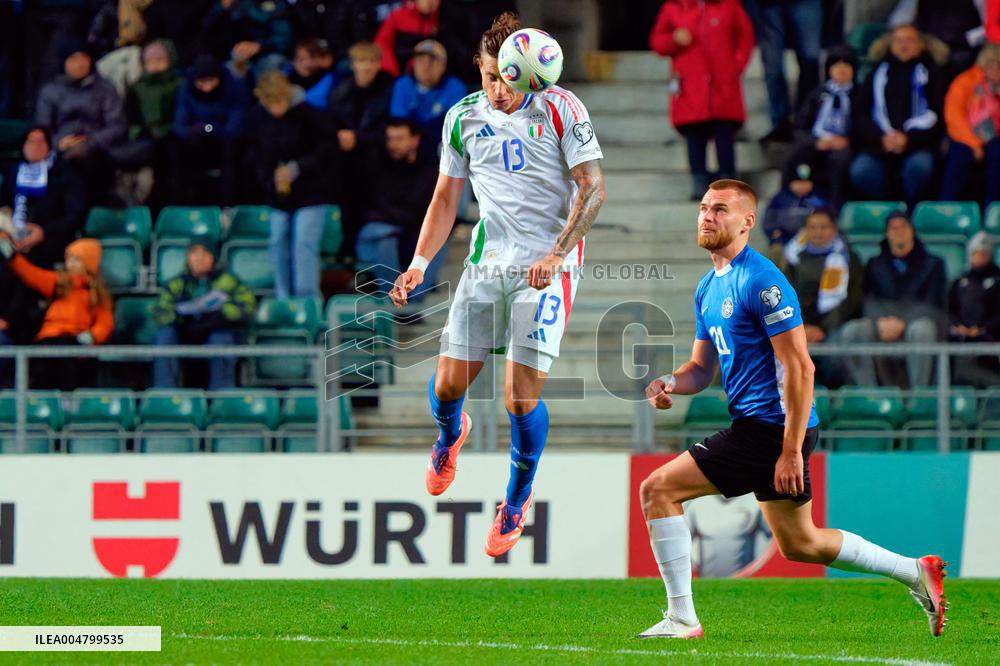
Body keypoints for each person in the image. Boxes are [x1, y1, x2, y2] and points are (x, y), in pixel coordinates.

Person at [636, 179, 947, 640]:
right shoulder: (707, 288)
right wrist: (669, 382)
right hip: (763, 428)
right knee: (802, 544)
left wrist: (791, 450)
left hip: (772, 429)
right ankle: (915, 571)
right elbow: (702, 369)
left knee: (657, 490)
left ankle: (682, 618)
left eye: (720, 209)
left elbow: (801, 368)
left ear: (747, 222)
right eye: (703, 207)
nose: (706, 216)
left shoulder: (763, 281)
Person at [389, 13, 605, 557]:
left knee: (517, 397)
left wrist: (558, 254)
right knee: (445, 389)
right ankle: (448, 436)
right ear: (480, 70)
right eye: (489, 77)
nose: (498, 89)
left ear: (529, 74)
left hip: (548, 266)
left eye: (508, 78)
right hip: (489, 262)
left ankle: (515, 500)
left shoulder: (561, 108)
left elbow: (594, 189)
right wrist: (420, 262)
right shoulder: (461, 117)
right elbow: (445, 198)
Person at [649, 0, 754, 198]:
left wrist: (736, 64)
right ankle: (699, 181)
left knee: (724, 134)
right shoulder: (674, 7)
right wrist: (674, 39)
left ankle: (728, 182)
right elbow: (657, 42)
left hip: (722, 84)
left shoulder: (728, 6)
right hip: (691, 85)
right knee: (694, 136)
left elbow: (745, 35)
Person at [246, 70, 334, 299]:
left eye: (278, 102)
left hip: (312, 192)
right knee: (277, 243)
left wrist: (297, 168)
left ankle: (307, 303)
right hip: (278, 194)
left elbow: (326, 150)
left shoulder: (310, 114)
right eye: (269, 104)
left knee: (304, 244)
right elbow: (256, 154)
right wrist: (269, 177)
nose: (275, 109)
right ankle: (283, 300)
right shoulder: (259, 118)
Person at [838, 211, 945, 388]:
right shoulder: (875, 264)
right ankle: (868, 394)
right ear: (887, 234)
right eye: (893, 228)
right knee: (853, 330)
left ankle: (920, 394)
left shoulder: (934, 263)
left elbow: (934, 302)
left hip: (915, 322)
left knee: (922, 329)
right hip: (883, 323)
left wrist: (903, 322)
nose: (898, 232)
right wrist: (879, 321)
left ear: (912, 231)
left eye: (903, 227)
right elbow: (869, 299)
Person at [0, 235, 113, 391]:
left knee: (68, 367)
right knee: (40, 367)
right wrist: (13, 258)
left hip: (75, 340)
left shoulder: (96, 294)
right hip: (48, 339)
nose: (70, 264)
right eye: (69, 259)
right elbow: (32, 275)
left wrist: (92, 336)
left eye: (76, 260)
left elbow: (105, 323)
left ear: (88, 263)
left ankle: (66, 405)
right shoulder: (59, 283)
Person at [849, 25, 942, 207]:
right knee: (862, 170)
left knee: (919, 167)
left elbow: (938, 117)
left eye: (909, 40)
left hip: (919, 144)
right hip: (879, 144)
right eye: (899, 40)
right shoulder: (875, 75)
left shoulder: (933, 74)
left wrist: (908, 139)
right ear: (890, 46)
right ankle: (889, 211)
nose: (903, 45)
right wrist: (882, 138)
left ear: (921, 45)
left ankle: (911, 211)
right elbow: (860, 116)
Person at [152, 236, 256, 390]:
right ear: (188, 257)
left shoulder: (228, 280)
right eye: (194, 252)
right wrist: (180, 318)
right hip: (185, 335)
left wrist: (221, 315)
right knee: (165, 336)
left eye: (205, 253)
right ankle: (165, 394)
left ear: (213, 257)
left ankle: (221, 397)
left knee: (221, 339)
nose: (199, 258)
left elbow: (247, 307)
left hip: (217, 332)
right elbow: (160, 312)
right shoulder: (177, 283)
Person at [35, 37, 127, 205]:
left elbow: (117, 124)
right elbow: (42, 128)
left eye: (84, 58)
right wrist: (58, 143)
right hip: (60, 149)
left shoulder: (105, 89)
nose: (80, 64)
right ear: (64, 62)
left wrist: (91, 141)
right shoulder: (50, 91)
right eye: (74, 59)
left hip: (97, 148)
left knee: (83, 159)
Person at [355, 118, 440, 295]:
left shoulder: (429, 171)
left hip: (411, 231)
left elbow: (424, 210)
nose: (393, 144)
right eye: (390, 139)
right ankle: (393, 299)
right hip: (381, 232)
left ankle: (414, 303)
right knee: (385, 237)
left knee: (438, 238)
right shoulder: (376, 166)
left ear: (415, 140)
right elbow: (374, 207)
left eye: (399, 138)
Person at [0, 127, 87, 270]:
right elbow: (3, 205)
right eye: (31, 142)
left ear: (48, 146)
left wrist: (43, 232)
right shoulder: (13, 173)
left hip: (51, 238)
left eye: (40, 142)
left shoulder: (65, 174)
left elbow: (75, 215)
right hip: (13, 237)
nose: (35, 147)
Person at [170, 54, 249, 205]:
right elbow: (180, 124)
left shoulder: (235, 89)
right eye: (201, 82)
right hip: (196, 141)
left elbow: (235, 129)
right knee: (177, 148)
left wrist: (208, 127)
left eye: (211, 81)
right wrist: (196, 130)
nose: (206, 87)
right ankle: (183, 206)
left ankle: (229, 207)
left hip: (225, 142)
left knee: (233, 151)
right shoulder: (186, 89)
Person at [788, 46, 856, 211]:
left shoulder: (860, 95)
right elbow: (800, 125)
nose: (841, 70)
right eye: (836, 66)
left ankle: (834, 207)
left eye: (846, 66)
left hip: (845, 143)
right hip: (818, 141)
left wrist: (848, 140)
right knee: (798, 153)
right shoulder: (817, 95)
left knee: (840, 159)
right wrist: (815, 142)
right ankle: (789, 204)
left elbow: (864, 125)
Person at [745, 0, 823, 144]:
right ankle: (779, 123)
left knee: (810, 59)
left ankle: (806, 119)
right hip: (768, 5)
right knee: (773, 67)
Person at [783, 208, 864, 344]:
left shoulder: (848, 259)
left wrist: (824, 329)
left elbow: (853, 298)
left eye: (823, 227)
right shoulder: (793, 259)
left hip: (837, 325)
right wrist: (804, 327)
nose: (818, 232)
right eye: (813, 227)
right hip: (801, 325)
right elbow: (786, 296)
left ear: (834, 230)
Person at [940, 45, 1000, 207]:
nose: (995, 69)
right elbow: (954, 117)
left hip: (996, 139)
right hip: (966, 137)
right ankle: (947, 210)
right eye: (991, 64)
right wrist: (974, 144)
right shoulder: (965, 81)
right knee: (959, 157)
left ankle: (992, 212)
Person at [388, 39, 467, 162]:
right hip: (409, 149)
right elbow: (399, 124)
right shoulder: (403, 84)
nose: (425, 66)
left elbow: (455, 128)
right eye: (420, 61)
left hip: (439, 146)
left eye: (431, 61)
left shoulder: (455, 87)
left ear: (443, 66)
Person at [947, 232, 1000, 387]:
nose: (978, 257)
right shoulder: (960, 280)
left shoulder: (997, 280)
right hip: (962, 336)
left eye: (983, 254)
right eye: (975, 253)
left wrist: (983, 329)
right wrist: (959, 326)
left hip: (991, 338)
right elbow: (950, 309)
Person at [761, 163, 829, 251]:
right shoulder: (780, 198)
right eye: (798, 183)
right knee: (776, 251)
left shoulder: (818, 198)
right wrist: (772, 230)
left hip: (811, 240)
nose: (802, 186)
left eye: (806, 183)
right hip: (784, 239)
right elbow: (769, 217)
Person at [374, 0, 441, 77]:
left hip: (427, 73)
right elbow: (382, 44)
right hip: (396, 69)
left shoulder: (443, 20)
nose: (429, 2)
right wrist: (391, 70)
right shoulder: (398, 16)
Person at [287, 37, 336, 110]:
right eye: (298, 57)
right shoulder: (287, 78)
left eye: (309, 57)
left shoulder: (332, 81)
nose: (301, 62)